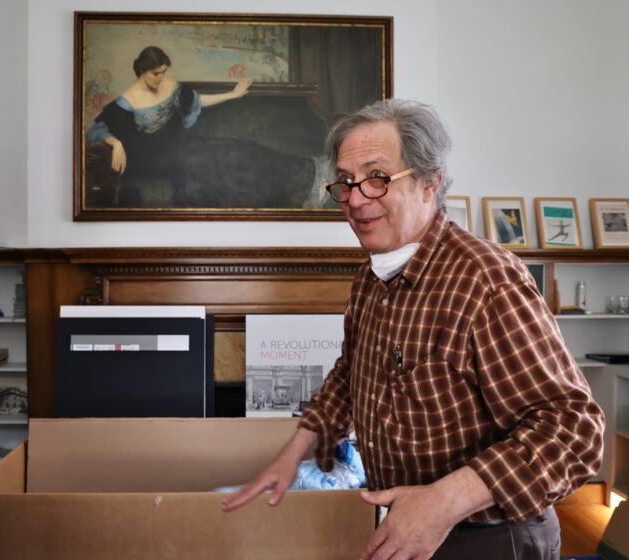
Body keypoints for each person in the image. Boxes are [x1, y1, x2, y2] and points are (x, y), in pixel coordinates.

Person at [221, 98, 605, 560]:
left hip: (488, 537)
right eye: (345, 182)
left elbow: (575, 431)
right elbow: (351, 372)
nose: (357, 199)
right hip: (404, 527)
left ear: (430, 182)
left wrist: (444, 501)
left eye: (377, 178)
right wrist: (294, 451)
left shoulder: (485, 280)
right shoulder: (371, 276)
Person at [86, 46, 321, 209]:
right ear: (140, 71)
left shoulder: (170, 86)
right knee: (211, 166)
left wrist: (232, 94)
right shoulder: (127, 100)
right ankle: (302, 182)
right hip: (158, 161)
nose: (160, 78)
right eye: (155, 74)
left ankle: (307, 171)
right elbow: (96, 130)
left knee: (236, 150)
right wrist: (115, 143)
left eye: (163, 72)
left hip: (182, 148)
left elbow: (198, 101)